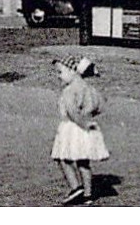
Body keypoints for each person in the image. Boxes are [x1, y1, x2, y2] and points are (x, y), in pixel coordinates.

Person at [50, 56, 109, 205]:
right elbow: (100, 105)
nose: (59, 77)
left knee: (64, 158)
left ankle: (76, 187)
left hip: (72, 127)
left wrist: (81, 123)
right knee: (83, 161)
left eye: (60, 72)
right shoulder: (89, 88)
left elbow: (72, 112)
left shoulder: (69, 91)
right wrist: (88, 118)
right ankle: (88, 195)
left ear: (72, 71)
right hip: (86, 127)